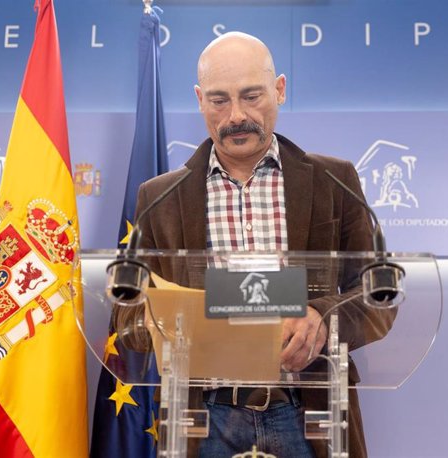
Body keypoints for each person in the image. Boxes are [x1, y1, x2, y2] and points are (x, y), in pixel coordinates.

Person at [135, 31, 394, 457]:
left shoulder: (335, 182)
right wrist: (179, 328)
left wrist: (323, 318)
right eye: (219, 100)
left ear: (280, 90)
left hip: (310, 415)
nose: (236, 115)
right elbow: (127, 317)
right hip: (204, 420)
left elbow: (380, 298)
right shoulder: (159, 197)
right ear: (200, 100)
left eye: (251, 96)